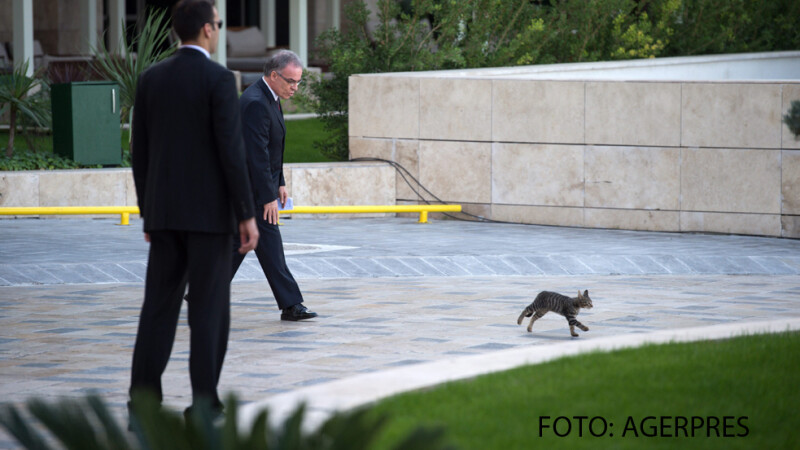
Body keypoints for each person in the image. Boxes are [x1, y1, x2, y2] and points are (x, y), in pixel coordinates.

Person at [129, 0, 259, 416]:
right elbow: (231, 153)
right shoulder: (220, 79)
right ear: (206, 29)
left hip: (164, 215)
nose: (218, 31)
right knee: (208, 311)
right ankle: (204, 405)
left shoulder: (151, 78)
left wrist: (149, 212)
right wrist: (246, 213)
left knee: (158, 310)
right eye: (218, 25)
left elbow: (140, 152)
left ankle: (143, 405)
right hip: (211, 219)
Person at [232, 49, 317, 321]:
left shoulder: (271, 96)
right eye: (291, 81)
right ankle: (291, 305)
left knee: (241, 242)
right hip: (252, 189)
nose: (295, 87)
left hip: (259, 187)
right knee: (269, 243)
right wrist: (268, 196)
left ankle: (201, 289)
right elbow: (256, 155)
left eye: (298, 82)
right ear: (273, 75)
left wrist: (279, 182)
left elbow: (272, 147)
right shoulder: (256, 101)